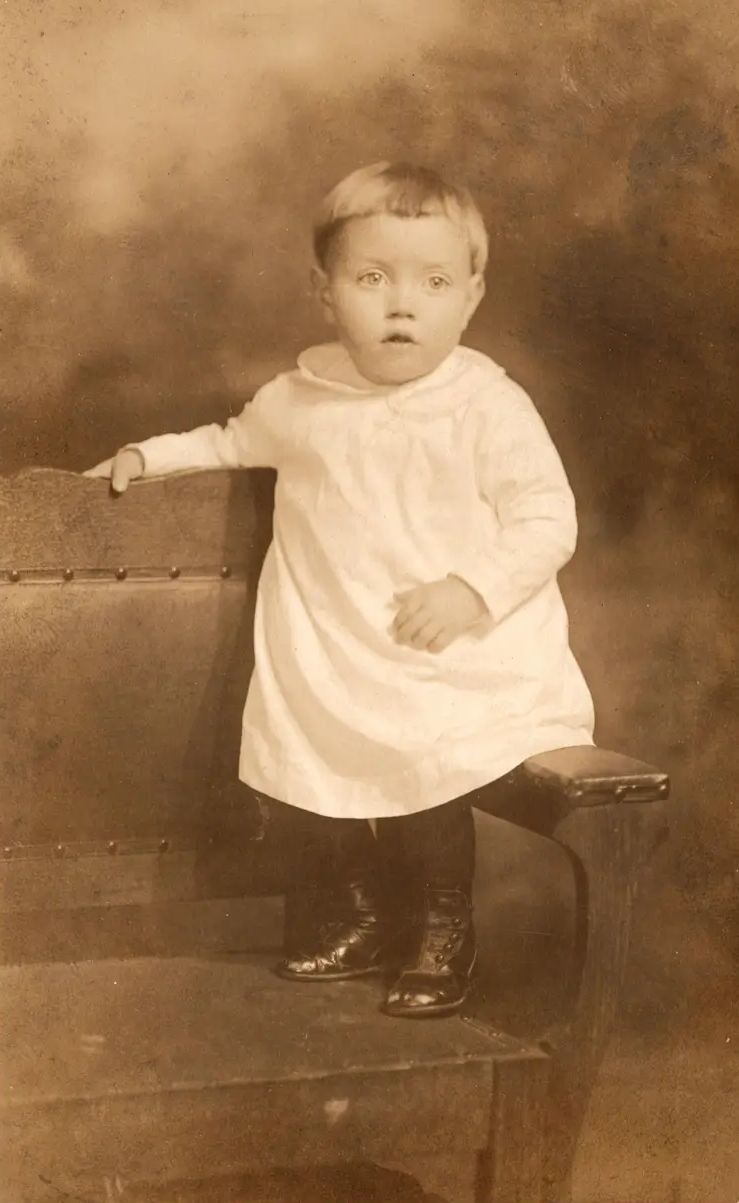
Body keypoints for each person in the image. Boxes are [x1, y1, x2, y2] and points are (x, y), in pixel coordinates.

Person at [87, 161, 595, 1018]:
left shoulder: (486, 405)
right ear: (324, 292)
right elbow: (225, 441)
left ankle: (441, 924)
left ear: (472, 295)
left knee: (425, 768)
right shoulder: (300, 398)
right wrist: (146, 456)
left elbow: (548, 519)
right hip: (332, 643)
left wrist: (473, 589)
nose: (403, 304)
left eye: (434, 282)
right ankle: (359, 912)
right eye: (372, 278)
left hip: (446, 652)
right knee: (307, 765)